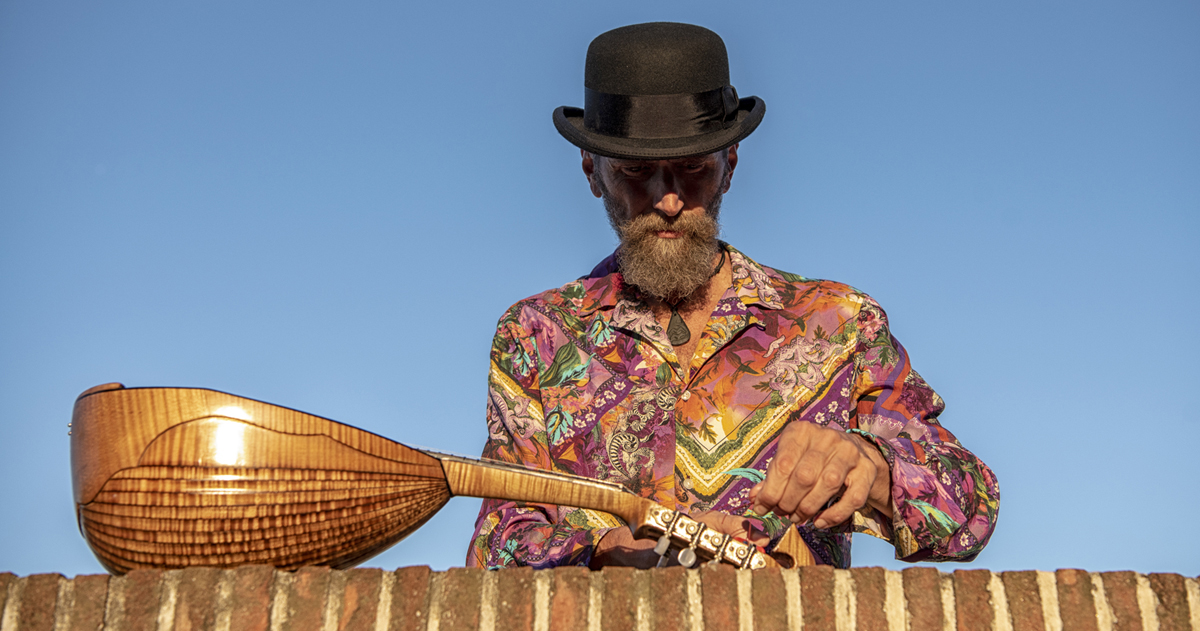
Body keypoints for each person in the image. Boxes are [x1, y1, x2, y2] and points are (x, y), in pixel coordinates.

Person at [466, 22, 999, 569]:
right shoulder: (536, 333)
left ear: (731, 165)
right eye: (634, 171)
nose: (667, 200)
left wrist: (870, 466)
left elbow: (970, 512)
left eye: (694, 168)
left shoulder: (840, 322)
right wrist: (604, 554)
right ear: (592, 172)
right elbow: (498, 544)